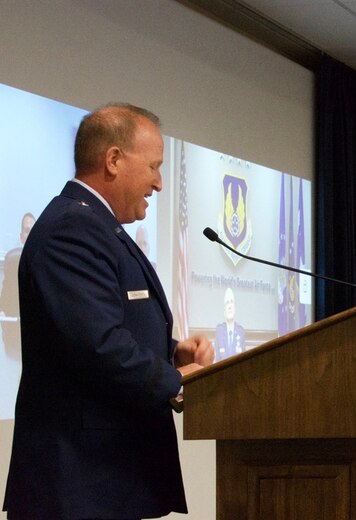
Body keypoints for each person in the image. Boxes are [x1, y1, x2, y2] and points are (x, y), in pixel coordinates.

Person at [3, 103, 214, 519]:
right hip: (78, 484)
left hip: (104, 482)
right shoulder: (72, 228)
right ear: (113, 160)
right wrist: (175, 379)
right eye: (154, 166)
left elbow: (103, 325)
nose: (158, 183)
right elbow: (97, 345)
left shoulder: (98, 226)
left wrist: (172, 352)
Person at [0, 212, 35, 358]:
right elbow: (5, 297)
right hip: (15, 333)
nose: (30, 235)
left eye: (34, 230)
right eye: (27, 231)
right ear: (21, 237)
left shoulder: (47, 264)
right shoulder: (13, 261)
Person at [214, 287, 246, 362]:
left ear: (235, 308)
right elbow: (217, 358)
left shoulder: (240, 331)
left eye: (231, 302)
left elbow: (244, 358)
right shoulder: (219, 331)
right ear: (224, 310)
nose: (229, 307)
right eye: (227, 303)